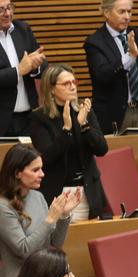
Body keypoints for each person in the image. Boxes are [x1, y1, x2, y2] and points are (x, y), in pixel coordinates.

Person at [0, 144, 79, 277]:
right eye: (35, 170)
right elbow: (24, 250)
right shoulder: (3, 207)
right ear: (18, 173)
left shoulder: (37, 197)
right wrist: (50, 218)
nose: (42, 174)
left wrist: (64, 216)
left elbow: (55, 242)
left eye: (41, 169)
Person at [29, 63, 108, 222]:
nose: (72, 87)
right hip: (58, 193)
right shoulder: (40, 118)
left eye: (74, 82)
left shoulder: (84, 111)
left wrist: (84, 125)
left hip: (88, 191)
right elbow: (47, 157)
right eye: (66, 83)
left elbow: (102, 149)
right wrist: (66, 129)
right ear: (51, 89)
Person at [84, 0, 138, 134]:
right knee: (118, 154)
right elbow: (103, 75)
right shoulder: (94, 42)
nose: (127, 16)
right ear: (106, 13)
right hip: (113, 113)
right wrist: (130, 57)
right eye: (122, 12)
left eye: (129, 11)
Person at [0, 0, 47, 137]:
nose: (7, 13)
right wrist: (18, 71)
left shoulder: (23, 29)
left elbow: (43, 64)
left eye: (9, 8)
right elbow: (21, 69)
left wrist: (34, 66)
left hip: (28, 118)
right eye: (1, 9)